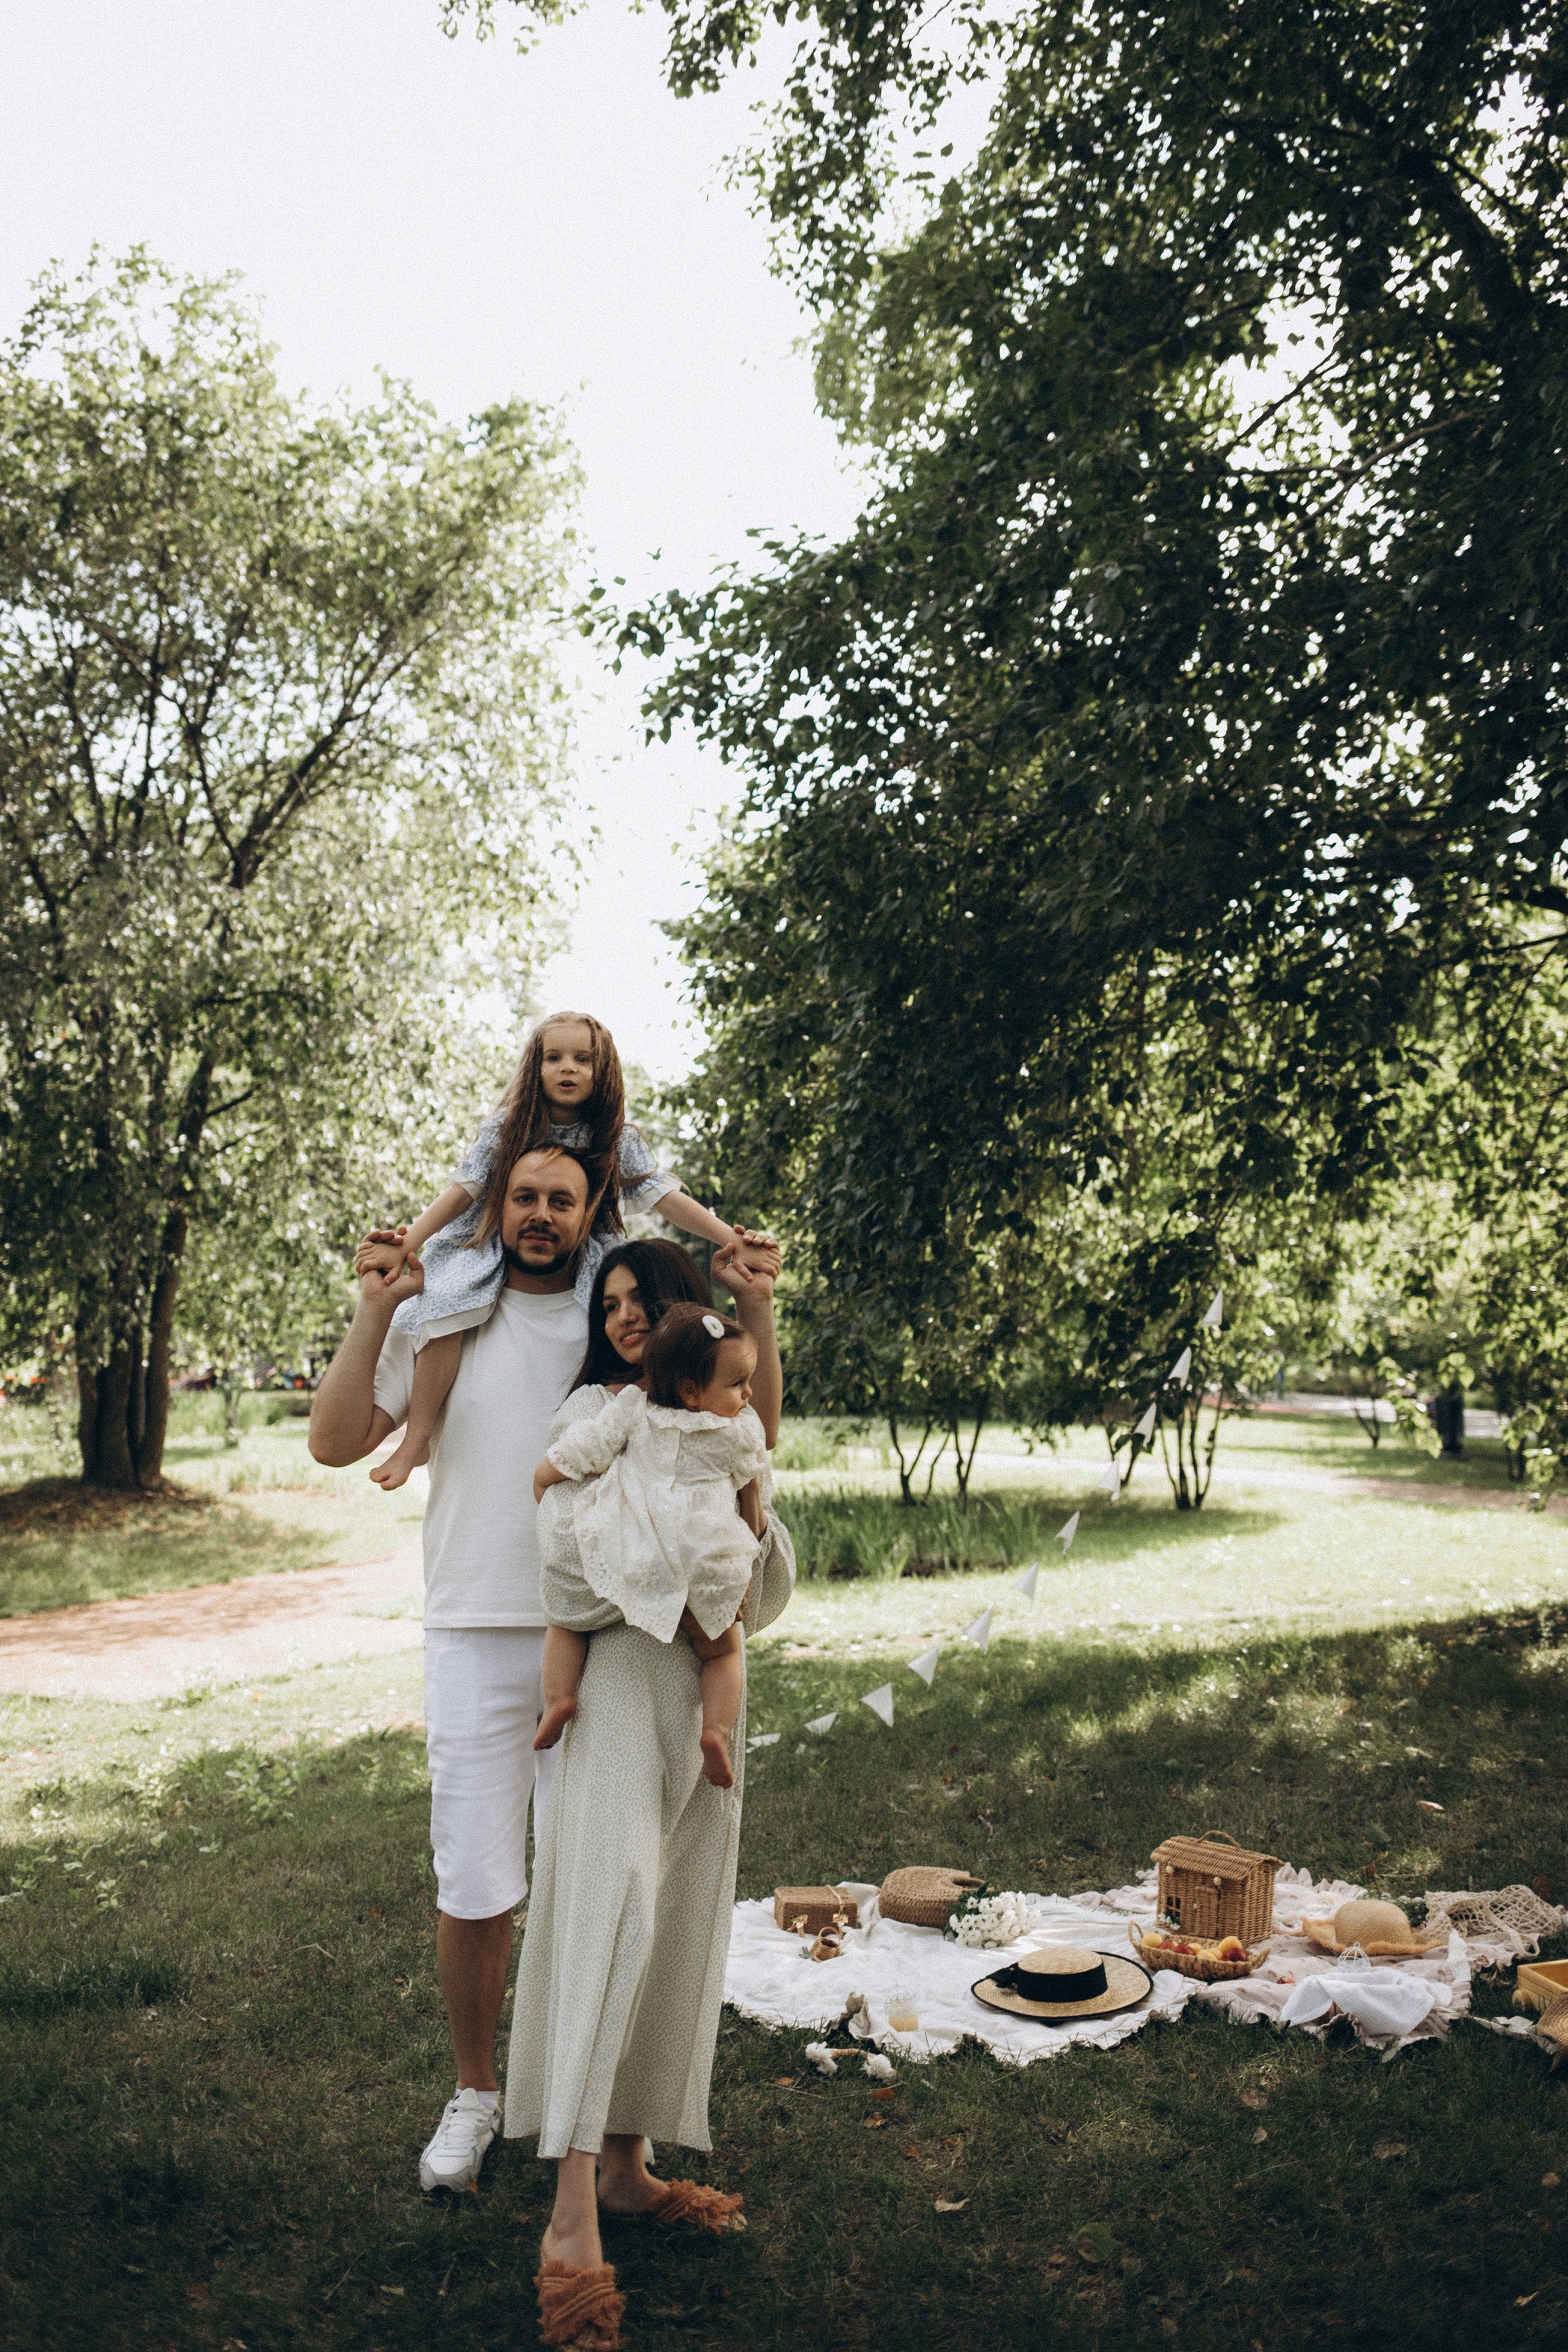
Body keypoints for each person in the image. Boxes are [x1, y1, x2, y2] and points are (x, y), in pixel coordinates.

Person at [307, 1145, 775, 2202]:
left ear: (588, 1211)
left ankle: (613, 2139)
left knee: (611, 1886)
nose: (541, 1214)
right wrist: (378, 1309)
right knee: (477, 1879)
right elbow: (337, 1441)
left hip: (614, 1639)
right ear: (497, 1205)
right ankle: (477, 2094)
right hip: (477, 1623)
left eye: (563, 1199)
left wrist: (749, 1296)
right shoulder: (448, 1315)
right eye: (523, 1196)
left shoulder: (621, 1316)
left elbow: (732, 1414)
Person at [503, 1238, 794, 2352]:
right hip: (619, 1689)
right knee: (614, 1908)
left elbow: (763, 1581)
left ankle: (629, 2168)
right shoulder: (594, 1413)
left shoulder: (723, 1424)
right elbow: (561, 1574)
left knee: (674, 1924)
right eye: (610, 1303)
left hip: (705, 1701)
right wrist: (654, 1589)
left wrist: (697, 1585)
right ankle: (570, 2213)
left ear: (685, 1312)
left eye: (645, 1300)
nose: (626, 1317)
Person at [356, 1011, 768, 1490]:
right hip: (492, 1237)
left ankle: (665, 1429)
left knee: (630, 1321)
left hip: (587, 1247)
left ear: (604, 1071)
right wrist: (410, 1241)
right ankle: (418, 1436)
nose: (567, 1069)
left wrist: (728, 1238)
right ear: (536, 1068)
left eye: (582, 1059)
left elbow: (664, 1198)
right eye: (554, 1058)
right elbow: (463, 1190)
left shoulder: (615, 1137)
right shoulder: (508, 1125)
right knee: (449, 1305)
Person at [531, 1303, 766, 1789]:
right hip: (706, 1558)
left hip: (638, 1540)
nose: (748, 1394)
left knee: (566, 1616)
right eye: (738, 1383)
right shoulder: (741, 1432)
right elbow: (753, 1503)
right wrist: (742, 1563)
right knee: (723, 1653)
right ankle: (716, 1731)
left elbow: (590, 1447)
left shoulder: (633, 1410)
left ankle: (557, 1697)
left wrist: (548, 1471)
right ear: (691, 1392)